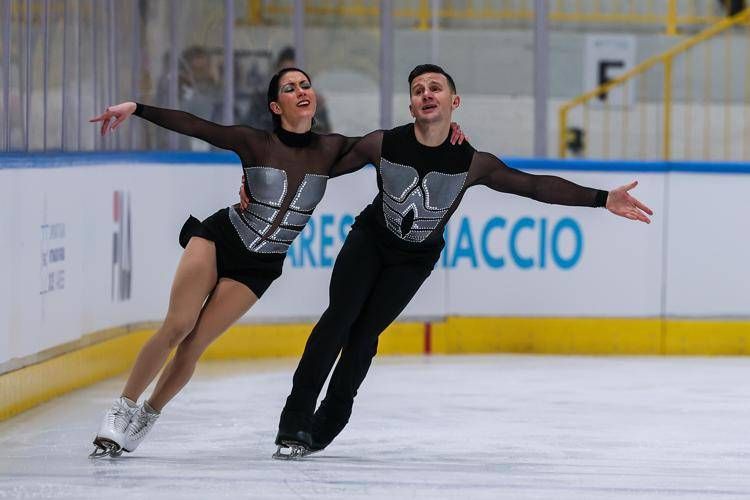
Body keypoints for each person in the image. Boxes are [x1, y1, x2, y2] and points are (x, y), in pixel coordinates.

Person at [269, 64, 653, 458]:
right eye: (418, 90)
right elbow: (320, 163)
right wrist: (264, 178)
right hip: (369, 241)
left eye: (435, 88)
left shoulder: (471, 162)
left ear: (454, 102)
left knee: (364, 335)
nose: (426, 94)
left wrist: (601, 198)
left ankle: (327, 423)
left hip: (414, 260)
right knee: (339, 319)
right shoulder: (382, 144)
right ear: (412, 106)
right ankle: (294, 420)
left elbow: (533, 185)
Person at [86, 67, 464, 459]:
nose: (301, 91)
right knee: (179, 325)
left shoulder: (332, 149)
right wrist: (138, 108)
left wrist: (447, 130)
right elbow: (197, 126)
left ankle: (147, 415)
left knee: (194, 344)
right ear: (275, 106)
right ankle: (122, 409)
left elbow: (404, 142)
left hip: (260, 267)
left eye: (305, 85)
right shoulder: (254, 142)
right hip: (220, 239)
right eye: (289, 88)